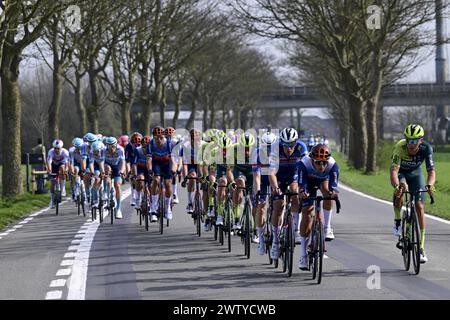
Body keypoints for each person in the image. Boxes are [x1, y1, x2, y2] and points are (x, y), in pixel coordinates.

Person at [390, 124, 436, 263]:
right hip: (401, 174)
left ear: (420, 140)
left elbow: (431, 171)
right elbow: (394, 171)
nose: (411, 144)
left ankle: (421, 248)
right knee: (402, 188)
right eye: (409, 140)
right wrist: (397, 186)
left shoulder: (426, 148)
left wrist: (429, 185)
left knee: (420, 206)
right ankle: (398, 222)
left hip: (416, 175)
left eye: (415, 141)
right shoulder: (400, 147)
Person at [297, 144, 339, 270]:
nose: (321, 166)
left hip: (323, 180)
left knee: (328, 193)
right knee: (307, 214)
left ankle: (327, 228)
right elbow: (301, 183)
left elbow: (334, 185)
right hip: (308, 182)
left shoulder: (332, 165)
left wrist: (333, 192)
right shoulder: (304, 163)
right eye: (318, 163)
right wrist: (303, 191)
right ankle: (303, 255)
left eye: (324, 163)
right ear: (312, 160)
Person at [268, 128, 308, 260]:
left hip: (293, 175)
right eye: (286, 145)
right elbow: (272, 172)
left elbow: (305, 168)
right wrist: (275, 187)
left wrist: (304, 187)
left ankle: (296, 229)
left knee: (295, 192)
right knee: (278, 205)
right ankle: (275, 240)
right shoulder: (275, 149)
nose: (289, 148)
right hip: (279, 175)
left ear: (296, 142)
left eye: (291, 145)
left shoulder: (302, 148)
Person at [47, 139, 70, 209]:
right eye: (55, 148)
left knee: (62, 168)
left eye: (58, 148)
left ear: (61, 148)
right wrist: (49, 170)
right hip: (54, 165)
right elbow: (49, 162)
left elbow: (67, 163)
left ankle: (63, 188)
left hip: (62, 164)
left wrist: (66, 170)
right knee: (52, 183)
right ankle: (51, 200)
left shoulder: (65, 152)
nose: (56, 150)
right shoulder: (51, 152)